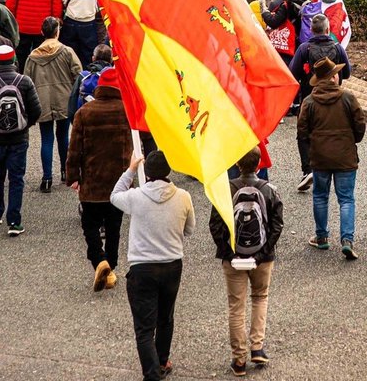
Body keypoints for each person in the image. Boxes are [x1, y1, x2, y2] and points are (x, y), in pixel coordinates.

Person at [111, 149, 195, 381]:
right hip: (172, 265)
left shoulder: (135, 197)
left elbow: (114, 195)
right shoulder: (184, 196)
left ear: (146, 173)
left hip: (142, 267)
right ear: (169, 171)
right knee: (165, 318)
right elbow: (189, 230)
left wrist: (130, 170)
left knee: (144, 328)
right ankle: (162, 360)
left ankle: (152, 374)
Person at [209, 146, 284, 376]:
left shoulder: (225, 190)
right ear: (259, 164)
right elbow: (277, 225)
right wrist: (263, 253)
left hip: (234, 257)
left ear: (237, 164)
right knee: (260, 297)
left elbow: (215, 225)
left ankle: (239, 358)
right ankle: (257, 347)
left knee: (236, 306)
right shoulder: (269, 190)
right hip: (262, 256)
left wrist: (229, 253)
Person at [65, 65, 132, 292]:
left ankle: (99, 261)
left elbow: (74, 149)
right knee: (114, 227)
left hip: (92, 182)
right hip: (119, 182)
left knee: (90, 225)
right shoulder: (126, 111)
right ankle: (110, 266)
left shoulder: (85, 112)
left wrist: (73, 177)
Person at [297, 57, 365, 259]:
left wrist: (313, 145)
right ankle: (347, 240)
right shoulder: (348, 98)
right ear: (334, 77)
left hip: (320, 158)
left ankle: (322, 237)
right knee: (346, 199)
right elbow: (360, 125)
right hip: (345, 157)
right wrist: (351, 140)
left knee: (320, 196)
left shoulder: (309, 101)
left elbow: (302, 131)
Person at [290, 12, 351, 192]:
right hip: (334, 96)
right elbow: (347, 73)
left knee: (304, 132)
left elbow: (293, 72)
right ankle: (329, 167)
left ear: (311, 30)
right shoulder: (338, 48)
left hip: (310, 95)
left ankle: (307, 170)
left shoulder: (305, 48)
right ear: (328, 29)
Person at [24, 16, 80, 191]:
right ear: (57, 32)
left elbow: (27, 81)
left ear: (42, 32)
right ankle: (65, 171)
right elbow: (78, 74)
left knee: (46, 139)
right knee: (63, 136)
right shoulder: (67, 52)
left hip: (43, 101)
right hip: (64, 99)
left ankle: (47, 178)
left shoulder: (33, 57)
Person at [0, 35, 41, 236]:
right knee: (16, 179)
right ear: (13, 60)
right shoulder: (24, 81)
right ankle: (14, 222)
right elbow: (36, 110)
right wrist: (25, 125)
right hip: (18, 139)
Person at [4, 0, 63, 71]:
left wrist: (13, 23)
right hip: (43, 28)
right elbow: (56, 9)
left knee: (20, 56)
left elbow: (10, 5)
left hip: (21, 26)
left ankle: (21, 76)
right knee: (40, 57)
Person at [250, 0, 305, 69]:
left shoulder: (288, 5)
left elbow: (273, 22)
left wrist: (264, 11)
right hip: (302, 39)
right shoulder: (306, 2)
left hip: (290, 43)